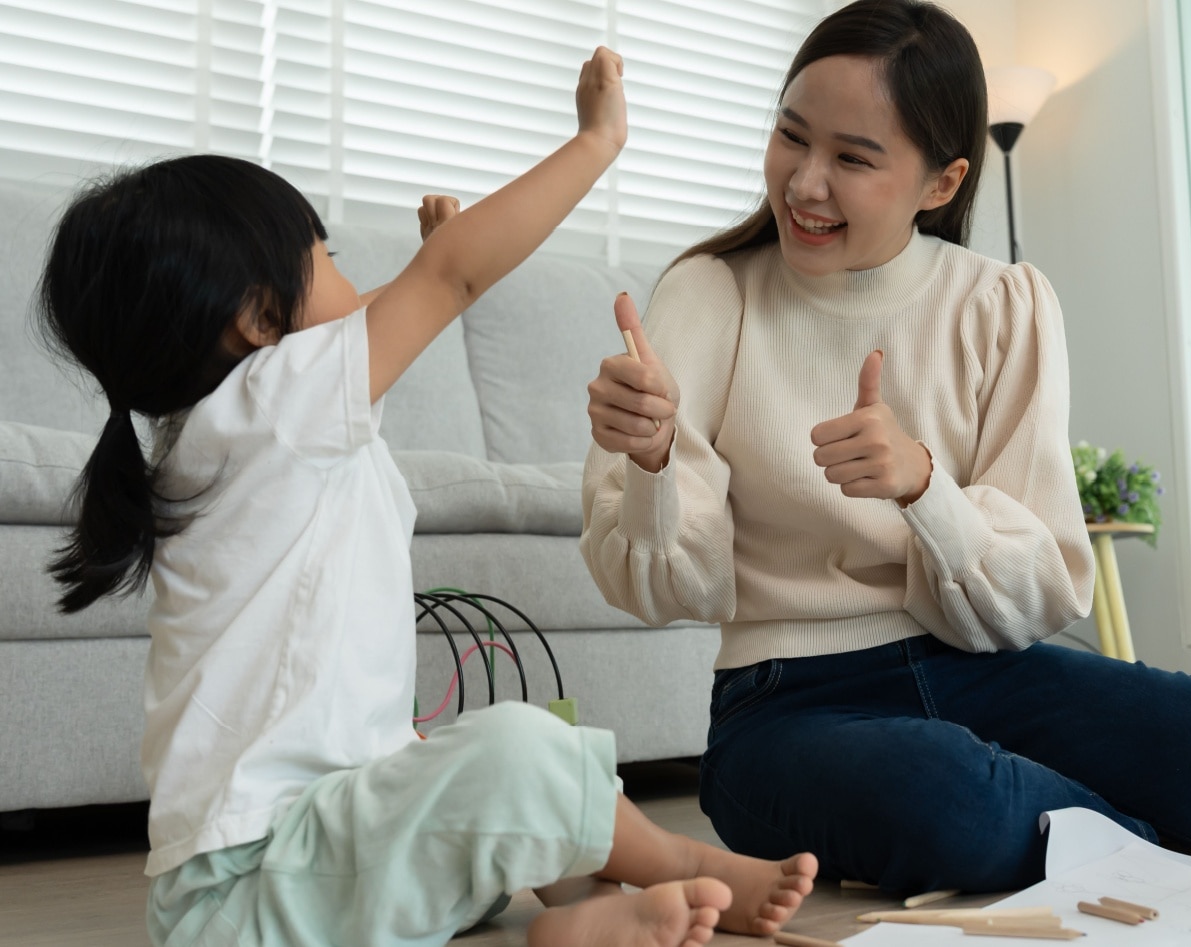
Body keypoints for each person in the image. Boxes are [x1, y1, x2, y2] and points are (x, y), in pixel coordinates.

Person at [581, 0, 1191, 896]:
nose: (804, 183)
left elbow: (1039, 591)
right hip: (783, 706)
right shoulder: (710, 293)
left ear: (942, 181)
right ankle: (1144, 845)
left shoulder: (999, 303)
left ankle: (1072, 828)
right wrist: (653, 463)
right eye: (791, 136)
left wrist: (926, 486)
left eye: (852, 158)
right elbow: (668, 592)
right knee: (952, 801)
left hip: (985, 670)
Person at [38, 46, 815, 947]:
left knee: (517, 755)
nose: (356, 284)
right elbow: (451, 277)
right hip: (254, 887)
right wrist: (595, 142)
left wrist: (427, 267)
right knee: (516, 750)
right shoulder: (271, 409)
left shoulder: (229, 434)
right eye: (326, 258)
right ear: (257, 319)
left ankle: (579, 904)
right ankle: (675, 864)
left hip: (298, 876)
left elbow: (413, 297)